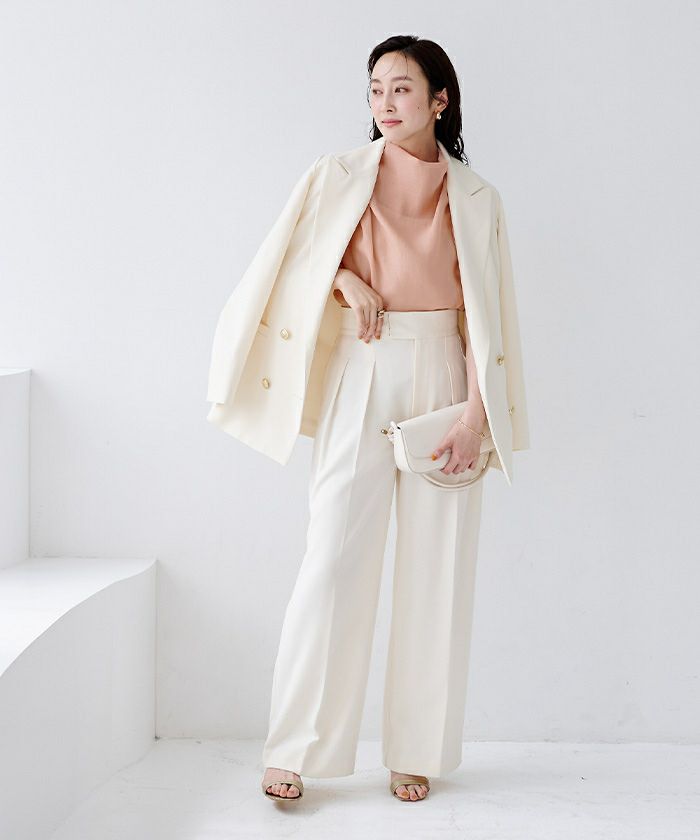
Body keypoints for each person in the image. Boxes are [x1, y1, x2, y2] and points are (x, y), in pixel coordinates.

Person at [255, 35, 530, 803]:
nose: (385, 102)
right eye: (376, 88)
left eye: (402, 88)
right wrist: (345, 280)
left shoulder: (477, 198)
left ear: (440, 100)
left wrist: (476, 417)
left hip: (445, 369)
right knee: (333, 557)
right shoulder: (338, 174)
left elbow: (487, 320)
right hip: (363, 364)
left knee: (437, 569)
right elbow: (289, 262)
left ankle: (417, 750)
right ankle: (295, 748)